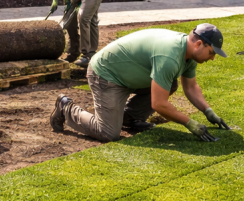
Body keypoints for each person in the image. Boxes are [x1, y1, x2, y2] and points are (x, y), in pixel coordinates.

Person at [50, 24, 231, 143]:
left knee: (170, 84)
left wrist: (208, 112)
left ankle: (130, 118)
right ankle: (66, 108)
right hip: (106, 74)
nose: (213, 58)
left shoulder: (189, 54)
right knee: (107, 133)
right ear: (199, 44)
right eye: (212, 52)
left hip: (128, 74)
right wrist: (190, 123)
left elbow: (190, 87)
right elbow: (158, 104)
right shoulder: (170, 56)